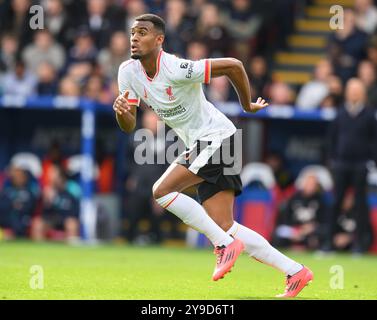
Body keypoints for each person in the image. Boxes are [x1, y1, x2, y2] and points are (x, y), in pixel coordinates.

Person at [113, 14, 313, 298]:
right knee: (226, 226)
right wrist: (121, 112)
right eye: (133, 32)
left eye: (142, 32)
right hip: (211, 143)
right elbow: (129, 125)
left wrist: (246, 104)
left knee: (161, 190)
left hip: (219, 138)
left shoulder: (177, 68)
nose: (134, 37)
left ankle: (222, 245)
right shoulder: (127, 72)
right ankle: (295, 271)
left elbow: (234, 65)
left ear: (159, 40)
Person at [325, 78, 377, 254]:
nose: (354, 93)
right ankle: (328, 243)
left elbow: (374, 140)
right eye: (351, 89)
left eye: (357, 89)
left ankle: (361, 245)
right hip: (341, 164)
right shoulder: (340, 113)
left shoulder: (370, 114)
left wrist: (371, 161)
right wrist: (333, 160)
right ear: (347, 92)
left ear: (362, 92)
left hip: (361, 165)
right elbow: (332, 138)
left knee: (361, 205)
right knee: (336, 203)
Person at [273, 174, 326, 250]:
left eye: (313, 184)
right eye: (309, 184)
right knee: (279, 232)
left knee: (320, 235)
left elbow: (323, 219)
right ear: (304, 183)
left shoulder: (320, 200)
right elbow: (286, 217)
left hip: (310, 231)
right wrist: (295, 230)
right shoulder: (294, 198)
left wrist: (312, 227)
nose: (310, 187)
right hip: (294, 229)